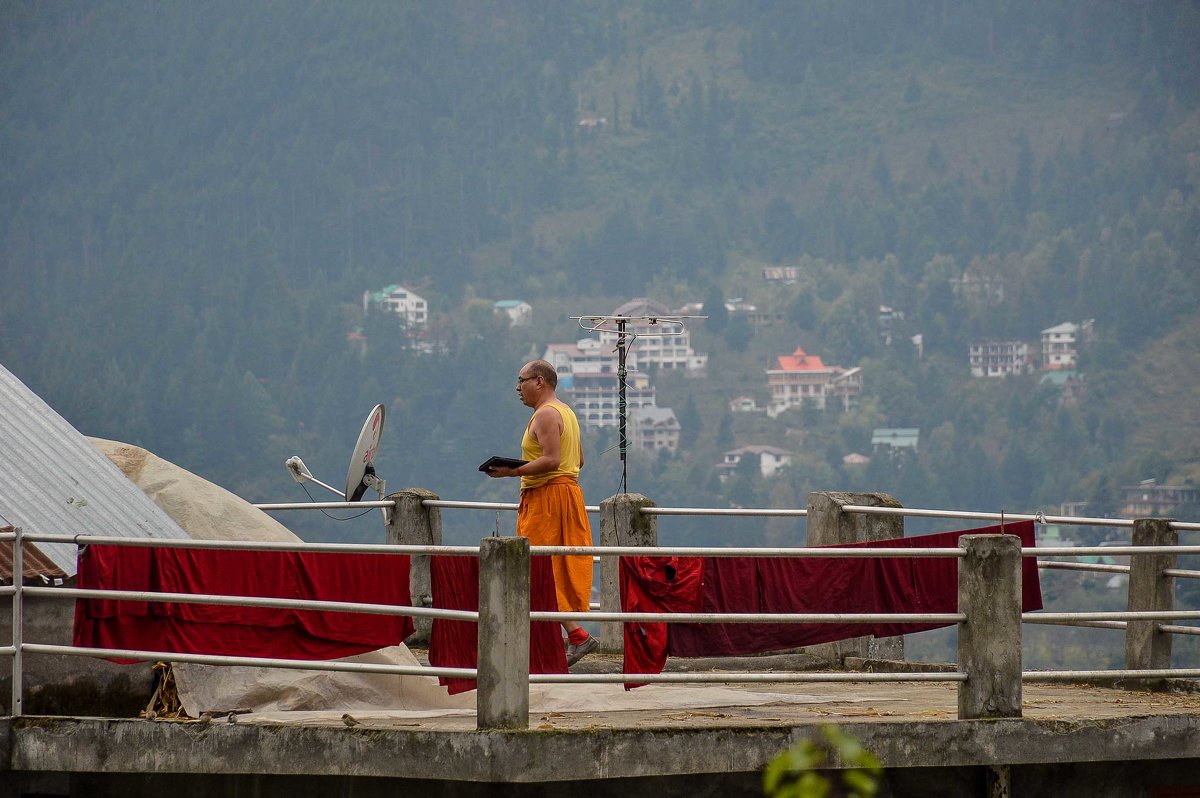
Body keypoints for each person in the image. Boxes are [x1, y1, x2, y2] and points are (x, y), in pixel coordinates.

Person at [485, 359, 598, 666]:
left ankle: (574, 636)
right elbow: (579, 460)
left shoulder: (547, 414)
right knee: (550, 567)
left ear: (539, 382)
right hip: (565, 493)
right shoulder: (566, 412)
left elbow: (552, 460)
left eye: (521, 381)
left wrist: (511, 471)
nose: (517, 388)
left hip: (548, 496)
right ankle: (568, 636)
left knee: (537, 569)